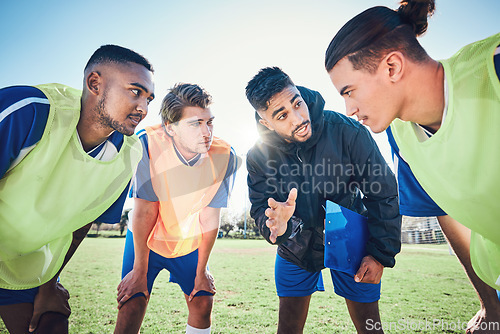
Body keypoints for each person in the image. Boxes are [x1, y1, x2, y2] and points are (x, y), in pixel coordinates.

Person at [325, 0, 500, 332]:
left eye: (350, 91)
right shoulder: (401, 133)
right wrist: (491, 305)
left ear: (392, 66)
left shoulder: (494, 70)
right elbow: (443, 211)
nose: (348, 108)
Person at [0, 45, 155, 334]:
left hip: (22, 268)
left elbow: (83, 220)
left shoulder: (130, 154)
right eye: (135, 91)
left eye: (149, 98)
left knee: (52, 323)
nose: (144, 108)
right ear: (94, 83)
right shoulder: (30, 110)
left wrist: (50, 283)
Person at [245, 67, 401, 334]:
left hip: (350, 239)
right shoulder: (258, 155)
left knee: (370, 327)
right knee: (288, 328)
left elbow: (382, 192)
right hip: (295, 248)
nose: (298, 118)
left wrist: (379, 254)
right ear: (266, 123)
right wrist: (278, 228)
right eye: (282, 116)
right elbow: (261, 208)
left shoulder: (347, 131)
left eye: (297, 104)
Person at [114, 83, 238, 334]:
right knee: (132, 303)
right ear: (170, 128)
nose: (206, 132)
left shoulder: (225, 155)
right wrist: (139, 270)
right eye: (195, 123)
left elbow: (210, 217)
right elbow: (145, 210)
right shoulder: (146, 143)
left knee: (202, 300)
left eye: (209, 122)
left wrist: (202, 270)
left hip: (187, 239)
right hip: (146, 238)